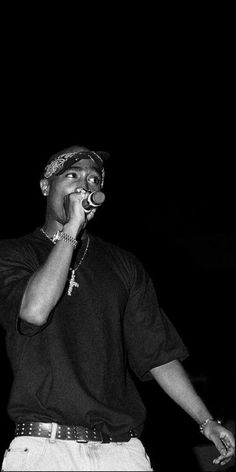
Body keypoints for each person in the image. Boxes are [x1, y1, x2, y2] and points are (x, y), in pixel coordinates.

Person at [0, 145, 234, 472]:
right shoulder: (15, 253)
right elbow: (34, 312)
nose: (86, 185)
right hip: (44, 447)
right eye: (72, 175)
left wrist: (205, 420)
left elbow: (158, 353)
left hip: (120, 450)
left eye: (95, 179)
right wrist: (71, 230)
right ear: (45, 186)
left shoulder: (123, 265)